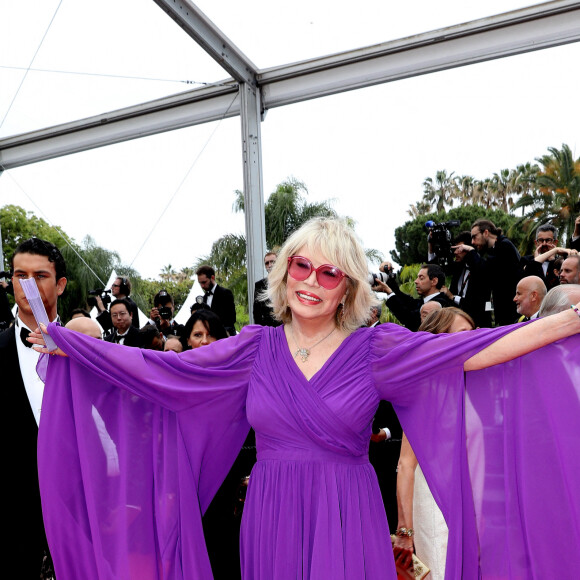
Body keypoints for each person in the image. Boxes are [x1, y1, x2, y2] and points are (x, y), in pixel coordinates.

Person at [29, 217, 580, 580]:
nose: (311, 280)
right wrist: (74, 349)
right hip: (271, 515)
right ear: (283, 269)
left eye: (330, 271)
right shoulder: (252, 348)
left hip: (348, 515)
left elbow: (478, 350)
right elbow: (162, 371)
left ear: (349, 286)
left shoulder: (377, 347)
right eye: (301, 265)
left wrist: (567, 322)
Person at [1, 237, 67, 580]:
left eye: (39, 275)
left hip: (79, 523)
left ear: (60, 284)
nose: (27, 285)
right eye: (19, 275)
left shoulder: (88, 351)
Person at [394, 307, 477, 580]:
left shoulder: (472, 383)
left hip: (470, 500)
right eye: (463, 334)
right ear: (439, 339)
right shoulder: (428, 389)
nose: (474, 340)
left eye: (473, 333)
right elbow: (406, 464)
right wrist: (405, 531)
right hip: (434, 500)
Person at [467, 219, 522, 326]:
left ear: (486, 233)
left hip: (511, 315)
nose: (472, 242)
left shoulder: (504, 246)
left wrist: (471, 251)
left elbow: (484, 271)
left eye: (474, 237)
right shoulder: (496, 248)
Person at [377, 263, 453, 331]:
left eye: (421, 278)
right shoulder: (424, 301)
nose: (416, 281)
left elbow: (409, 319)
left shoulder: (440, 304)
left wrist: (389, 292)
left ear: (434, 281)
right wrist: (389, 276)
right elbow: (405, 300)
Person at [196, 265, 237, 335]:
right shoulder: (203, 298)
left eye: (204, 282)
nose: (202, 286)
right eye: (200, 283)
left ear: (212, 278)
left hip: (225, 337)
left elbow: (231, 319)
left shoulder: (225, 293)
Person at [253, 251, 281, 326]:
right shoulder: (259, 285)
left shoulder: (286, 282)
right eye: (267, 263)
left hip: (285, 327)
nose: (270, 265)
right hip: (267, 329)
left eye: (272, 262)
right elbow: (256, 312)